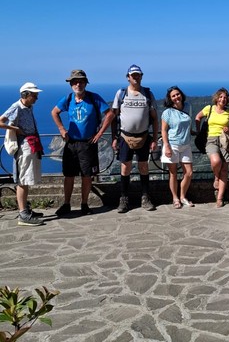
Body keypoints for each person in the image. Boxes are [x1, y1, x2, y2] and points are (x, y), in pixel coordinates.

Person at [51, 70, 110, 216]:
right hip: (71, 143)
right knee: (69, 175)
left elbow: (110, 114)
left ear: (85, 83)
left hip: (87, 143)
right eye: (75, 82)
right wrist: (61, 129)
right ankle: (66, 204)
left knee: (87, 175)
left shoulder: (94, 98)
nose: (78, 84)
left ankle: (84, 204)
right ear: (71, 84)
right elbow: (54, 112)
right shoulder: (68, 99)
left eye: (81, 81)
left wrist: (100, 133)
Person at [105, 64, 159, 213]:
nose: (135, 77)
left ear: (141, 76)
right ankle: (123, 199)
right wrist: (114, 137)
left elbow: (155, 118)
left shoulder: (148, 94)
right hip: (125, 136)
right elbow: (114, 117)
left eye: (138, 75)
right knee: (125, 167)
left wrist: (155, 139)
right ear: (128, 77)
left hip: (143, 136)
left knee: (143, 167)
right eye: (133, 75)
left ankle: (145, 197)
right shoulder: (121, 94)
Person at [0, 82, 45, 227]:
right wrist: (15, 129)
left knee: (26, 178)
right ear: (26, 94)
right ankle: (23, 213)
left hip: (31, 144)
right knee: (23, 180)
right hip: (24, 146)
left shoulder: (28, 107)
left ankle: (25, 209)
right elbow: (1, 121)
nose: (36, 98)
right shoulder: (17, 107)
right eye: (34, 95)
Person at [195, 88, 229, 208]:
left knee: (224, 169)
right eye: (221, 97)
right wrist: (199, 131)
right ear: (217, 98)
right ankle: (216, 177)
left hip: (225, 140)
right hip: (211, 139)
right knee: (216, 161)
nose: (223, 99)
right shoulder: (209, 108)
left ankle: (220, 198)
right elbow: (198, 117)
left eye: (225, 97)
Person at [161, 86, 194, 208]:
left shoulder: (188, 107)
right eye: (173, 96)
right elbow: (164, 130)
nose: (176, 97)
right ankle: (175, 198)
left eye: (177, 94)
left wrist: (193, 132)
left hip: (186, 145)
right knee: (173, 173)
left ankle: (183, 196)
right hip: (172, 144)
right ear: (170, 99)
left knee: (189, 172)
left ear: (181, 94)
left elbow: (189, 123)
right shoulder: (167, 113)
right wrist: (167, 146)